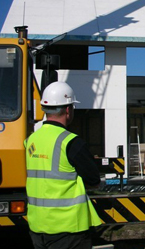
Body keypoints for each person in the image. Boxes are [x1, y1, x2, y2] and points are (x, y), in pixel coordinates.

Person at [24, 81, 102, 249]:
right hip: (68, 229)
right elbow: (94, 179)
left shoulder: (30, 140)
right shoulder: (70, 142)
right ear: (68, 110)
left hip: (38, 226)